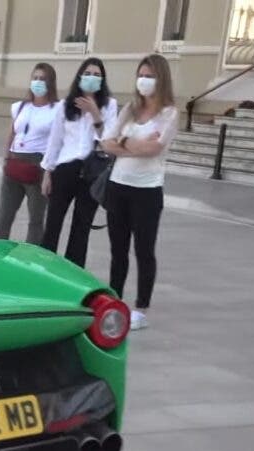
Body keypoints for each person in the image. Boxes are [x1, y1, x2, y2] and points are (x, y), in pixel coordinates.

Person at [99, 54, 178, 331]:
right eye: (141, 75)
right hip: (118, 185)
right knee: (117, 250)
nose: (144, 80)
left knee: (144, 250)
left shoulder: (169, 113)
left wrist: (123, 143)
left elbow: (155, 149)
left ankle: (141, 308)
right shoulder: (130, 109)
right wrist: (132, 142)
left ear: (161, 79)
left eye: (150, 76)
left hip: (147, 190)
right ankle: (114, 300)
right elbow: (106, 142)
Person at [39, 57, 118, 267]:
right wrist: (47, 172)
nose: (92, 78)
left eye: (97, 75)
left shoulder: (109, 105)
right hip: (66, 168)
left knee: (82, 227)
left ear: (102, 80)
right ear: (80, 76)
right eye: (88, 74)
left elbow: (109, 140)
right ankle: (45, 268)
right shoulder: (65, 105)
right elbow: (55, 140)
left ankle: (73, 272)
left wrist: (95, 113)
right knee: (53, 222)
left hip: (92, 170)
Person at [0, 63, 58, 244]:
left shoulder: (56, 110)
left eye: (43, 79)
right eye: (35, 78)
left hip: (38, 164)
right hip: (15, 162)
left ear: (50, 82)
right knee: (4, 215)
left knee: (36, 219)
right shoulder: (20, 107)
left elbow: (56, 142)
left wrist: (49, 172)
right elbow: (12, 133)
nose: (38, 82)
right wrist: (6, 157)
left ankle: (31, 256)